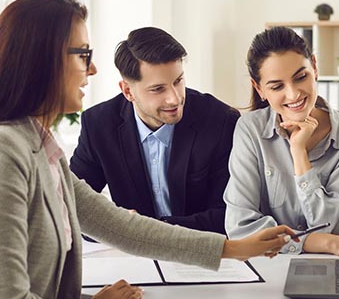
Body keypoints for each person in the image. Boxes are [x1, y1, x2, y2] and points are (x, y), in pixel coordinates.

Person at [0, 0, 295, 299]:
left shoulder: (38, 146)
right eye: (83, 55)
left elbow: (119, 226)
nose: (92, 69)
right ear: (40, 61)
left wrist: (234, 249)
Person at [223, 26, 339, 258]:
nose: (293, 94)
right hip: (271, 265)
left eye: (301, 77)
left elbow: (335, 227)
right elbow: (240, 229)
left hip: (336, 263)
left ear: (314, 67)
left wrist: (299, 153)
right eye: (277, 86)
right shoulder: (250, 129)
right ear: (259, 89)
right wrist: (326, 243)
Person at [70, 27, 239, 234]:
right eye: (158, 89)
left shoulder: (220, 120)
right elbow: (72, 208)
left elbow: (229, 215)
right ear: (128, 91)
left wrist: (144, 230)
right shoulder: (98, 125)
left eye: (178, 81)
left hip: (204, 253)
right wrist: (118, 226)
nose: (175, 98)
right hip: (133, 257)